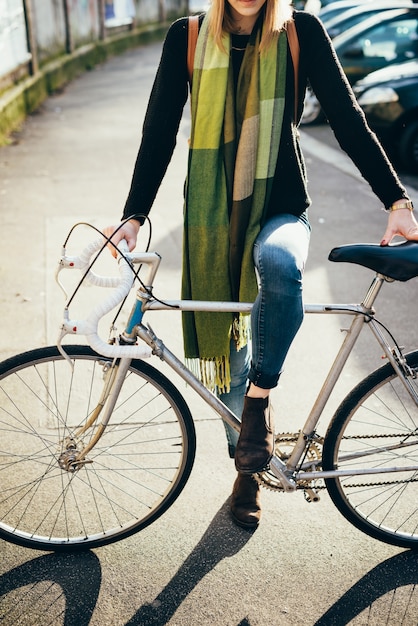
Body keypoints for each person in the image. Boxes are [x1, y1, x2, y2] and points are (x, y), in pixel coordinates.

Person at [104, 0, 418, 530]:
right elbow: (158, 129)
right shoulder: (186, 37)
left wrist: (397, 201)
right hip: (213, 213)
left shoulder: (300, 33)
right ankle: (248, 469)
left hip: (281, 204)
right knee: (226, 363)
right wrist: (134, 214)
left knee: (279, 264)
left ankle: (260, 399)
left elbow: (347, 117)